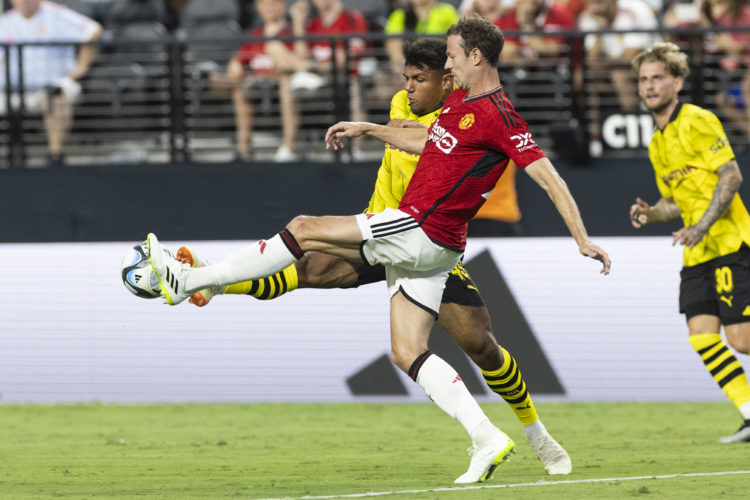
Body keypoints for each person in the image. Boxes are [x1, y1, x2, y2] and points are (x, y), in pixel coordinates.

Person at [144, 18, 611, 482]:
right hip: (430, 247)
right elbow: (427, 142)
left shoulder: (498, 113)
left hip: (417, 228)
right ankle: (487, 439)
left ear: (474, 57)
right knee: (406, 349)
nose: (446, 63)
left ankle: (190, 280)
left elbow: (549, 176)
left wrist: (582, 239)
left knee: (304, 229)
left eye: (450, 55)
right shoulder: (459, 104)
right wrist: (369, 128)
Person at [629, 42, 750, 443]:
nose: (648, 86)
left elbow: (731, 176)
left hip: (731, 242)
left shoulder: (698, 120)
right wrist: (652, 212)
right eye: (643, 79)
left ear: (677, 81)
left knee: (742, 340)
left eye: (657, 77)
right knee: (702, 336)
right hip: (698, 252)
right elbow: (673, 202)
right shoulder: (657, 142)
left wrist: (700, 226)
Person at [0, 0, 102, 167]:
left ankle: (55, 156)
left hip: (53, 85)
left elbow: (94, 31)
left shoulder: (57, 14)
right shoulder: (5, 21)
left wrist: (81, 66)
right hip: (12, 89)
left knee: (56, 96)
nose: (24, 2)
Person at [220, 0, 306, 162]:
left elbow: (300, 63)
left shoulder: (291, 33)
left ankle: (288, 147)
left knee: (287, 84)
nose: (269, 8)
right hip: (256, 84)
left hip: (283, 84)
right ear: (258, 8)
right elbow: (238, 62)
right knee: (237, 88)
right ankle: (243, 149)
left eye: (274, 3)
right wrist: (236, 65)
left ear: (283, 6)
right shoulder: (256, 35)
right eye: (265, 4)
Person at [289, 0, 370, 158]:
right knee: (289, 86)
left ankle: (356, 150)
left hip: (348, 77)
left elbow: (345, 59)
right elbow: (300, 56)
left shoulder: (352, 18)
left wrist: (311, 65)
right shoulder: (312, 24)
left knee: (355, 88)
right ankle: (289, 149)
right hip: (318, 80)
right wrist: (298, 22)